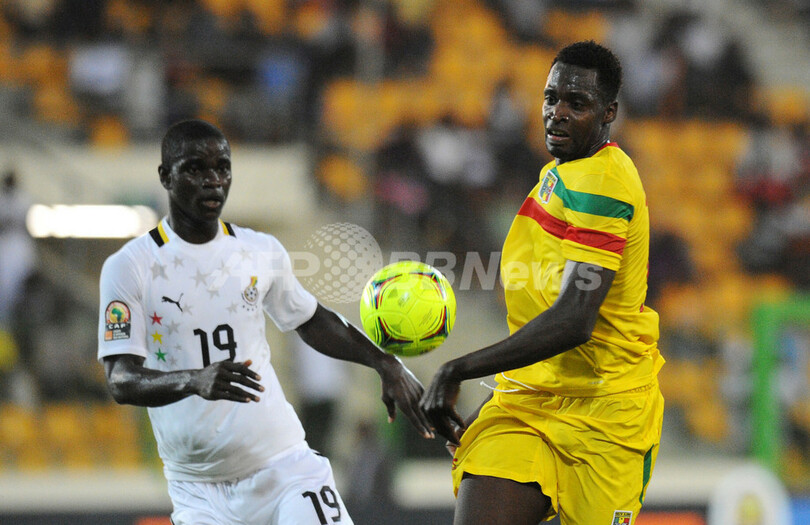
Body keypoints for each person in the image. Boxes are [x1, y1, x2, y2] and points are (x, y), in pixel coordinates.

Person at [97, 119, 433, 525]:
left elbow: (311, 320)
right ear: (166, 176)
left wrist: (385, 363)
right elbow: (121, 380)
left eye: (222, 168)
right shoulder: (129, 267)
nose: (213, 180)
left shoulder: (260, 250)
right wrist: (194, 380)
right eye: (196, 169)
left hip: (283, 468)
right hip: (197, 491)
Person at [421, 41, 665, 525]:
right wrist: (501, 392)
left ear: (609, 113)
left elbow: (574, 320)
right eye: (551, 98)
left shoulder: (606, 181)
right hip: (529, 404)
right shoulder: (558, 173)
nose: (558, 113)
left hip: (606, 415)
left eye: (578, 103)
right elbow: (542, 312)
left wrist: (457, 370)